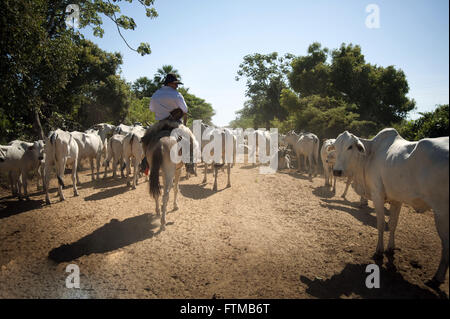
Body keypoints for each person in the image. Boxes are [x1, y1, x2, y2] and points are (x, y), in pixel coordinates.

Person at [143, 73, 195, 174]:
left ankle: (145, 162)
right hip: (174, 124)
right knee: (190, 139)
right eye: (176, 84)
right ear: (170, 84)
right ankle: (189, 164)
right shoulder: (176, 94)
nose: (177, 86)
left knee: (146, 139)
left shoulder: (156, 94)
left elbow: (151, 109)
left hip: (160, 124)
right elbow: (185, 109)